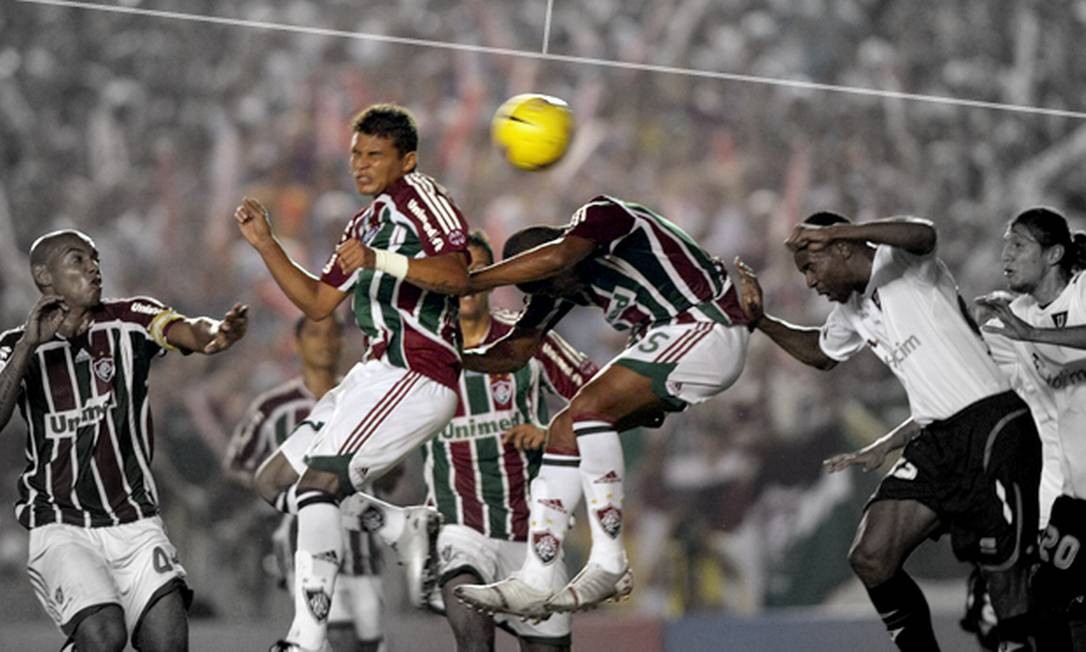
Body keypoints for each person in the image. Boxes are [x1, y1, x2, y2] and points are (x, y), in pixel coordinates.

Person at [734, 212, 1041, 651]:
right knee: (871, 556)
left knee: (1005, 577)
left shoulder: (901, 262)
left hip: (992, 423)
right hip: (936, 440)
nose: (809, 282)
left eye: (810, 266)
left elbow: (925, 232)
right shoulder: (851, 310)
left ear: (841, 248)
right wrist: (760, 321)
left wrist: (839, 230)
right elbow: (821, 353)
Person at [234, 103, 470, 652]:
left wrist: (379, 261)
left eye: (374, 155)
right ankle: (395, 527)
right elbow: (318, 303)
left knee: (319, 486)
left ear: (407, 159)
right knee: (274, 483)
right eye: (354, 155)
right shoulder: (364, 222)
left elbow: (459, 276)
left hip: (417, 371)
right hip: (373, 373)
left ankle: (303, 641)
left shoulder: (422, 201)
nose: (360, 165)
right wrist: (268, 244)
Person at [453, 195, 751, 618]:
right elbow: (513, 353)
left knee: (588, 406)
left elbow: (559, 257)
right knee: (564, 430)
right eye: (546, 289)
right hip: (674, 342)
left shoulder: (603, 217)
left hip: (704, 324)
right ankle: (536, 579)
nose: (561, 292)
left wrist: (471, 281)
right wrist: (449, 357)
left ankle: (609, 561)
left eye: (554, 281)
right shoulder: (558, 283)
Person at [0, 229, 248, 652]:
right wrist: (28, 345)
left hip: (134, 520)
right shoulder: (12, 346)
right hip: (60, 525)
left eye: (95, 257)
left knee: (168, 641)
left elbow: (186, 329)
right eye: (77, 259)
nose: (93, 266)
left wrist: (215, 335)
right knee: (105, 636)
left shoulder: (130, 318)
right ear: (45, 276)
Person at [427, 231, 601, 651]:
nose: (465, 281)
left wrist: (550, 434)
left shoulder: (527, 338)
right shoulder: (421, 349)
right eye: (456, 271)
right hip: (460, 527)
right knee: (472, 636)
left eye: (476, 271)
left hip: (530, 532)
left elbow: (602, 395)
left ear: (490, 279)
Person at [223, 315, 386, 652]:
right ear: (297, 343)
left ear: (343, 341)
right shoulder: (273, 407)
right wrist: (279, 492)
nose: (325, 342)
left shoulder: (364, 399)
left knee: (368, 640)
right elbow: (237, 465)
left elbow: (394, 468)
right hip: (303, 538)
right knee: (337, 632)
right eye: (315, 334)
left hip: (362, 544)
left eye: (333, 334)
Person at [974, 207, 1086, 650]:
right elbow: (969, 382)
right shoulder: (1013, 320)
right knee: (1043, 604)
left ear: (1055, 253)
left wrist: (1031, 336)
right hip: (1075, 499)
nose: (1006, 254)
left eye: (1018, 244)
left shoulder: (1083, 291)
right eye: (1006, 243)